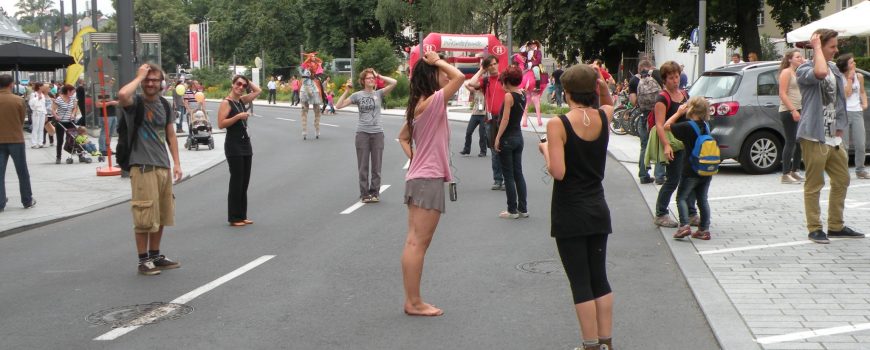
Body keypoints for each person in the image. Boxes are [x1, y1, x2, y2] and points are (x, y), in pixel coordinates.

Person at [538, 64, 614, 350]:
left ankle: (589, 344)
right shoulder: (603, 117)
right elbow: (609, 103)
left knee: (580, 281)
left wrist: (545, 149)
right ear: (592, 90)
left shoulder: (559, 124)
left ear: (566, 92)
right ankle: (606, 343)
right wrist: (602, 83)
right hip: (597, 207)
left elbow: (558, 171)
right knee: (599, 278)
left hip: (570, 210)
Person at [397, 51, 465, 317]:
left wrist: (416, 159)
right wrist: (436, 60)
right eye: (439, 73)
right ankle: (413, 302)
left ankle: (413, 300)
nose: (444, 75)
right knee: (417, 243)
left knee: (413, 241)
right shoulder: (431, 103)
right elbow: (459, 77)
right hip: (427, 178)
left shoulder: (421, 104)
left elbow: (403, 137)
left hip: (420, 176)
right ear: (430, 76)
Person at [797, 29, 864, 244]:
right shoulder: (805, 69)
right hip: (814, 134)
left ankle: (836, 225)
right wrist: (816, 47)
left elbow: (839, 100)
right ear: (821, 46)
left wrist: (841, 125)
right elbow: (819, 73)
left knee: (842, 179)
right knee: (814, 183)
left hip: (833, 136)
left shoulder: (835, 69)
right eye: (832, 46)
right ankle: (814, 228)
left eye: (836, 46)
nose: (836, 50)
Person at [117, 63, 183, 275]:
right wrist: (139, 76)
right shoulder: (134, 103)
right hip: (142, 166)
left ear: (161, 83)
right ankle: (143, 260)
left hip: (162, 166)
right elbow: (122, 94)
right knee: (145, 215)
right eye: (148, 80)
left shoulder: (164, 104)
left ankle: (155, 255)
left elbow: (171, 135)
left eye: (155, 80)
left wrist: (177, 163)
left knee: (162, 215)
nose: (151, 83)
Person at [335, 68, 396, 203]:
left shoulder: (379, 93)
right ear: (363, 81)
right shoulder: (357, 95)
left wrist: (379, 75)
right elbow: (338, 106)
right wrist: (346, 90)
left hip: (377, 133)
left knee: (377, 166)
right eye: (368, 78)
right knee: (363, 166)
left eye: (372, 78)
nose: (371, 80)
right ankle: (364, 194)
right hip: (362, 133)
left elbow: (394, 82)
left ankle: (375, 193)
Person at [650, 61, 698, 228]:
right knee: (673, 179)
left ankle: (691, 213)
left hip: (687, 143)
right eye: (671, 78)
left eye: (677, 76)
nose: (675, 80)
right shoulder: (662, 98)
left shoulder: (684, 94)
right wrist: (666, 145)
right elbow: (659, 124)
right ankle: (661, 213)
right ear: (664, 79)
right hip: (673, 144)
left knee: (690, 179)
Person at [665, 96, 714, 240]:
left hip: (690, 169)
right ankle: (704, 230)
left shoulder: (687, 126)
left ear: (690, 109)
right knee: (702, 199)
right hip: (706, 169)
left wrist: (678, 113)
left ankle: (684, 226)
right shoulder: (706, 126)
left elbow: (666, 125)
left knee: (681, 197)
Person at [217, 75, 261, 226]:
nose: (241, 87)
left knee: (245, 181)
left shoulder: (241, 100)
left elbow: (258, 91)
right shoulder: (226, 103)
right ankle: (234, 217)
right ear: (232, 84)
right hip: (233, 145)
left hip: (245, 144)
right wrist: (238, 117)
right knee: (236, 181)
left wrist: (248, 80)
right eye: (238, 84)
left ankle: (242, 215)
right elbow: (221, 124)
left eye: (243, 85)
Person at [465, 56, 505, 190]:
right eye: (490, 65)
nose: (493, 67)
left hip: (505, 118)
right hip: (490, 120)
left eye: (495, 64)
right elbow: (471, 83)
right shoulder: (486, 80)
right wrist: (481, 70)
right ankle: (498, 179)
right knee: (494, 151)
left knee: (505, 149)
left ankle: (507, 179)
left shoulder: (504, 78)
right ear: (487, 67)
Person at [494, 66, 529, 219]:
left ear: (507, 81)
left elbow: (505, 119)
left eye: (503, 82)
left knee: (508, 175)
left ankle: (512, 210)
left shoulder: (509, 96)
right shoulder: (522, 94)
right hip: (518, 137)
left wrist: (497, 137)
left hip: (507, 138)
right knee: (518, 174)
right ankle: (523, 209)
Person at [0, 74, 36, 211]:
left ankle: (0, 202)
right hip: (16, 139)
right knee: (22, 171)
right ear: (11, 85)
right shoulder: (18, 100)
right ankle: (27, 200)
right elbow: (22, 120)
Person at [629, 60, 664, 184]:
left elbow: (633, 101)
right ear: (650, 67)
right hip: (658, 115)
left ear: (639, 68)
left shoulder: (634, 80)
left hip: (644, 116)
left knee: (644, 145)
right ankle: (660, 176)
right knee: (660, 144)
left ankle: (644, 175)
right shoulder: (656, 74)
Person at [837, 53, 870, 179]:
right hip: (844, 112)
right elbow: (846, 95)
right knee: (844, 145)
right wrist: (850, 79)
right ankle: (843, 171)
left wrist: (865, 103)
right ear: (845, 66)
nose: (854, 64)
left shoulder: (859, 76)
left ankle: (860, 169)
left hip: (857, 112)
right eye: (851, 62)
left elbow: (862, 91)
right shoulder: (839, 78)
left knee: (861, 143)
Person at [778, 49, 805, 184]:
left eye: (801, 56)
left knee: (799, 142)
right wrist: (793, 110)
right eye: (798, 57)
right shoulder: (786, 72)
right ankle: (785, 173)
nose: (801, 59)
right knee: (790, 142)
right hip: (788, 111)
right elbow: (782, 93)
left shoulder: (798, 72)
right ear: (789, 59)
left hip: (800, 109)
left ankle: (795, 170)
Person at [51, 84, 78, 164]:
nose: (73, 93)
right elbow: (53, 109)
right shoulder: (59, 99)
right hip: (61, 122)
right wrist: (56, 116)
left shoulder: (73, 98)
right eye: (72, 92)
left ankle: (80, 154)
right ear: (68, 91)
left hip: (70, 121)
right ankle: (58, 157)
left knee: (75, 137)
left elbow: (75, 108)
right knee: (60, 140)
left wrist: (73, 114)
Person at [461, 84, 488, 157]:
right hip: (475, 114)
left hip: (484, 115)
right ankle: (466, 149)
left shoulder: (487, 91)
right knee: (468, 132)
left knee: (482, 134)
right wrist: (474, 84)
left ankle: (483, 151)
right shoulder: (475, 91)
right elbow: (466, 85)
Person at [299, 64, 323, 140]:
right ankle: (316, 130)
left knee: (304, 112)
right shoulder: (313, 69)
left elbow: (302, 76)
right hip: (312, 90)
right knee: (317, 111)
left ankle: (305, 130)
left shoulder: (303, 69)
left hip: (305, 90)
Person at [28, 82, 47, 148]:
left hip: (42, 112)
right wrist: (37, 98)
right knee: (35, 127)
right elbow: (30, 103)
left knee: (41, 128)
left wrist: (45, 113)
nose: (44, 87)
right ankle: (34, 143)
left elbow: (44, 105)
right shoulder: (34, 94)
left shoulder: (43, 94)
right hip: (36, 112)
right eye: (43, 86)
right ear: (39, 87)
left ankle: (40, 142)